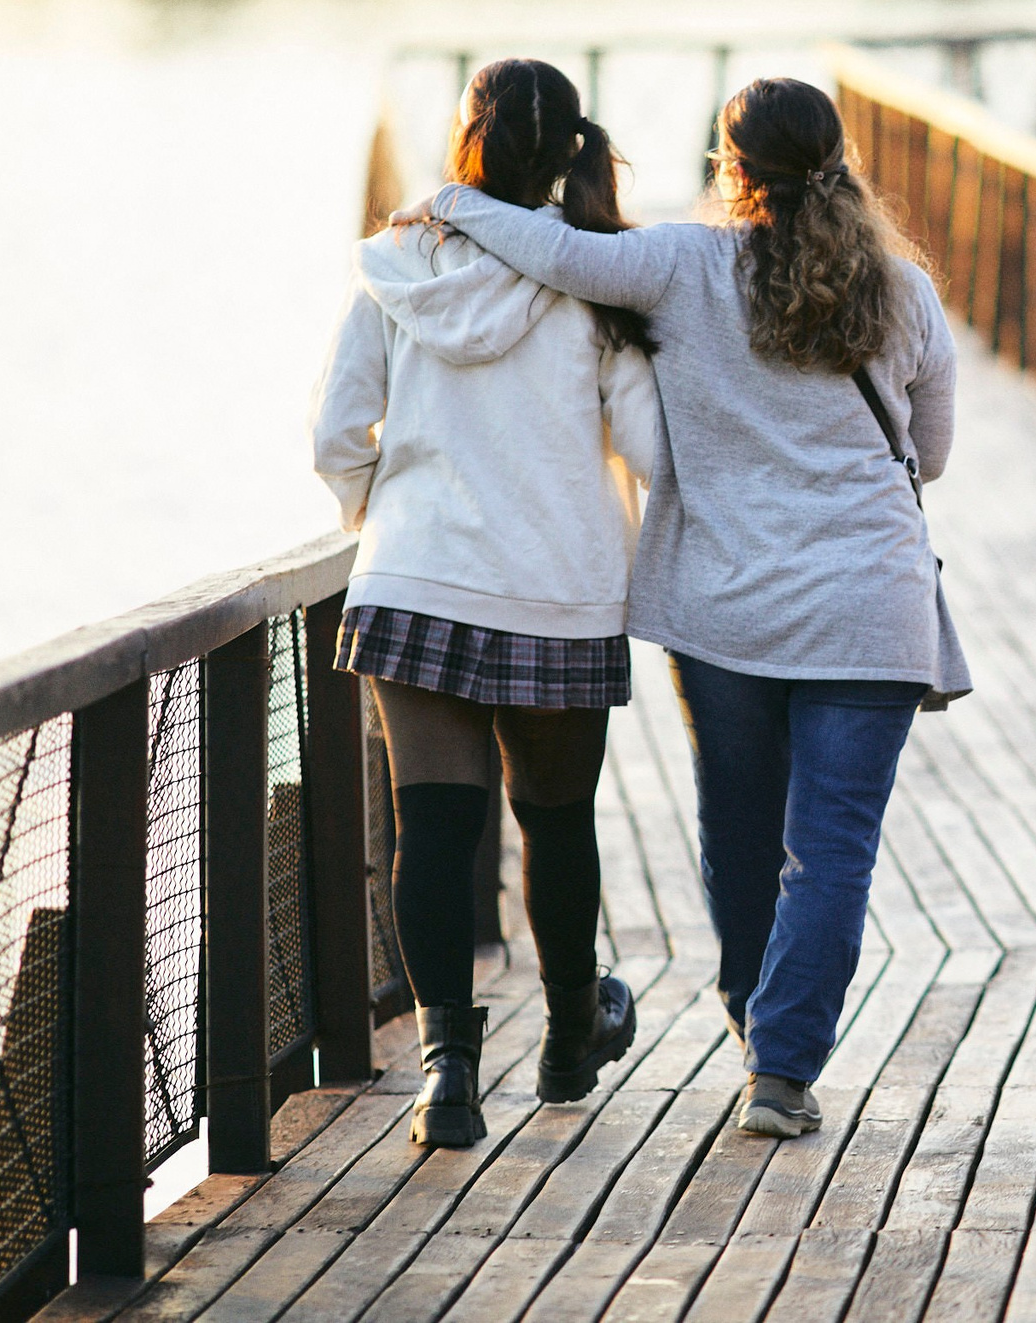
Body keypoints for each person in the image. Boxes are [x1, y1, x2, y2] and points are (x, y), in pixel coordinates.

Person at [402, 76, 966, 1140]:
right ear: (834, 157)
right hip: (869, 604)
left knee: (742, 835)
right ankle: (783, 1068)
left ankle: (758, 1025)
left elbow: (558, 253)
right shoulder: (904, 293)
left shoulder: (681, 263)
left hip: (727, 605)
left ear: (731, 167)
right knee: (832, 848)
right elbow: (925, 458)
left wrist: (452, 200)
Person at [312, 57, 651, 1148]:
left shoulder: (394, 263)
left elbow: (334, 435)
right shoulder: (596, 280)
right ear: (566, 154)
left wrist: (391, 516)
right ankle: (565, 1038)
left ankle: (446, 1074)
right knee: (555, 823)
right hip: (556, 589)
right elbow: (647, 445)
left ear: (471, 139)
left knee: (433, 827)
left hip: (416, 582)